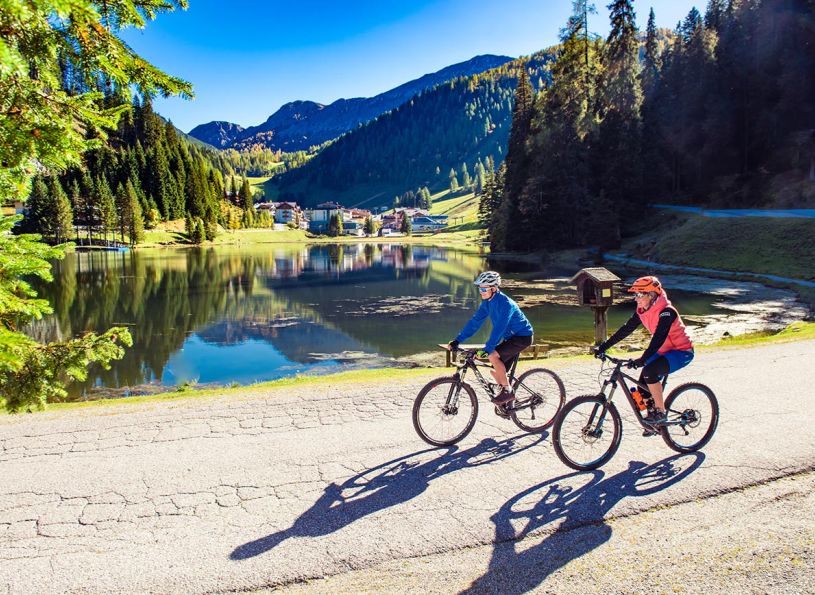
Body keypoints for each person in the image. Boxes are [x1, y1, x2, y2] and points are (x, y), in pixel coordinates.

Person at [595, 275, 694, 427]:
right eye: (635, 294)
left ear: (652, 295)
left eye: (640, 294)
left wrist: (643, 359)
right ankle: (651, 420)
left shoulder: (667, 312)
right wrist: (603, 346)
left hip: (681, 351)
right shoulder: (642, 311)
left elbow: (659, 338)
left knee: (650, 372)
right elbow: (626, 329)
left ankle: (660, 412)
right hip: (662, 351)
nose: (636, 298)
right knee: (642, 388)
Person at [447, 271, 534, 408]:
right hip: (510, 338)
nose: (481, 292)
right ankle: (507, 403)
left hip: (522, 337)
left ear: (493, 289)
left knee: (493, 356)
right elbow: (475, 322)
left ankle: (507, 391)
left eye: (483, 289)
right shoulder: (487, 303)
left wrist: (487, 350)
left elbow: (499, 329)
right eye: (479, 289)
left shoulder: (506, 304)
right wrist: (458, 340)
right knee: (495, 370)